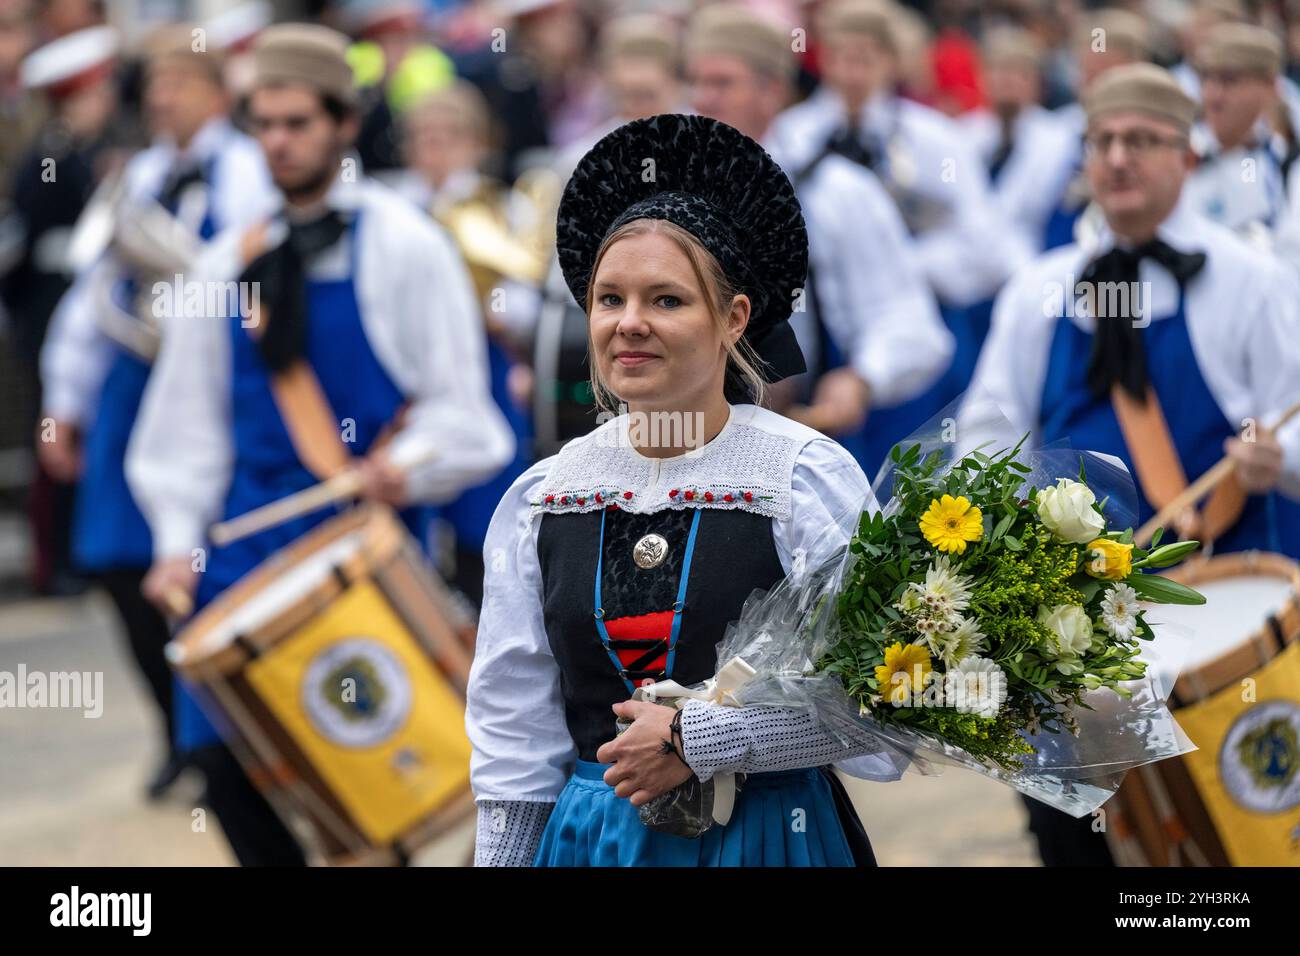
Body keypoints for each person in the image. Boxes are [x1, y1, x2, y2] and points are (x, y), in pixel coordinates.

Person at [466, 113, 904, 868]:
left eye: (666, 300)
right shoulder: (545, 496)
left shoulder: (799, 474)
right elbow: (514, 738)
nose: (629, 325)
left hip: (769, 839)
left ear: (734, 318)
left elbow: (886, 708)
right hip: (593, 843)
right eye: (610, 300)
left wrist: (702, 738)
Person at [126, 23, 513, 866]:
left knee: (375, 779)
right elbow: (184, 430)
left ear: (344, 124)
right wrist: (173, 547)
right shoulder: (227, 262)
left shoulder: (406, 243)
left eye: (298, 122)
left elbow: (467, 419)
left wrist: (398, 470)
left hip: (362, 546)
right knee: (220, 764)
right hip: (241, 551)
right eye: (262, 123)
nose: (278, 141)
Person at [965, 63, 1300, 864]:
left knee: (1233, 829)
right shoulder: (1038, 290)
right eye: (1103, 141)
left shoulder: (1253, 280)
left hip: (1217, 602)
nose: (1117, 158)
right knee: (1068, 836)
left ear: (1187, 158)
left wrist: (1273, 458)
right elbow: (982, 432)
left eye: (1142, 142)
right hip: (1067, 616)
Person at [37, 24, 275, 798]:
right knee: (114, 562)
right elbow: (88, 299)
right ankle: (177, 726)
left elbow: (254, 276)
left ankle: (218, 742)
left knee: (199, 567)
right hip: (131, 386)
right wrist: (62, 405)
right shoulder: (136, 174)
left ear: (213, 91)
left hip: (210, 388)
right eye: (157, 85)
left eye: (177, 83)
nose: (162, 98)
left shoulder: (246, 169)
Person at [685, 3, 951, 479]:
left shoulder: (836, 191)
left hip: (801, 452)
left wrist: (862, 378)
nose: (704, 99)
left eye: (723, 83)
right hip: (682, 448)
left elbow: (909, 322)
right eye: (698, 82)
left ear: (773, 90)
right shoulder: (668, 191)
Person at [770, 0, 1021, 421]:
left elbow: (984, 247)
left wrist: (898, 264)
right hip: (823, 334)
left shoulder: (934, 139)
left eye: (865, 58)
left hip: (922, 328)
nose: (852, 73)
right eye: (840, 56)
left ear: (891, 61)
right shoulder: (793, 136)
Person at [1185, 23, 1300, 275]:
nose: (1214, 96)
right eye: (1206, 79)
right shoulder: (1178, 156)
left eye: (1230, 81)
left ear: (1271, 87)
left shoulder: (1288, 166)